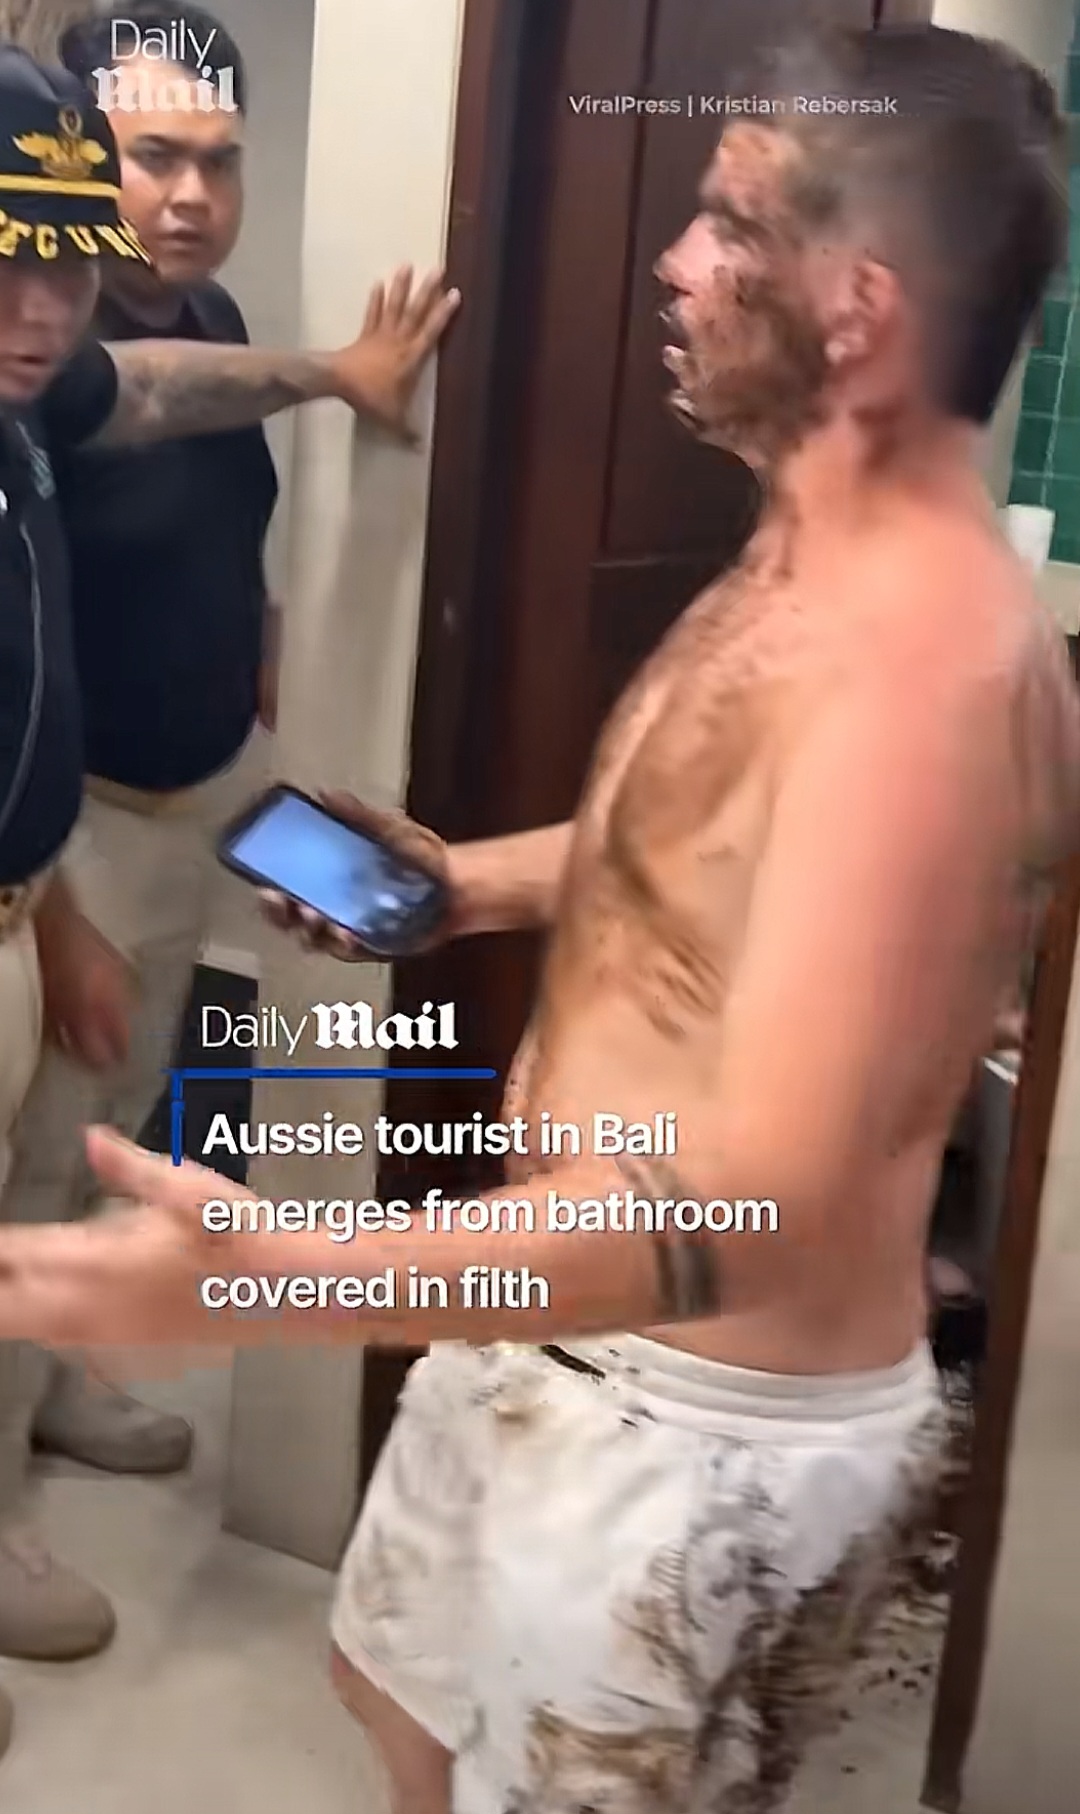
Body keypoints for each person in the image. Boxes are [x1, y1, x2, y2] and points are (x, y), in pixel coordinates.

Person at [0, 22, 1075, 1811]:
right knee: (405, 1715)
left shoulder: (929, 673)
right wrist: (463, 883)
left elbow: (755, 1204)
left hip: (697, 1429)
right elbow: (697, 833)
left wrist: (297, 1276)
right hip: (555, 1335)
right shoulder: (804, 549)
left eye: (731, 223)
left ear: (859, 306)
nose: (674, 259)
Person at [0, 40, 456, 1752]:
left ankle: (49, 1397)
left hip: (172, 809)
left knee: (98, 1141)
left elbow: (164, 410)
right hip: (77, 848)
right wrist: (55, 904)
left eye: (220, 160)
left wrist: (333, 376)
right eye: (150, 159)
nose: (188, 196)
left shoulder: (93, 368)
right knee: (37, 1175)